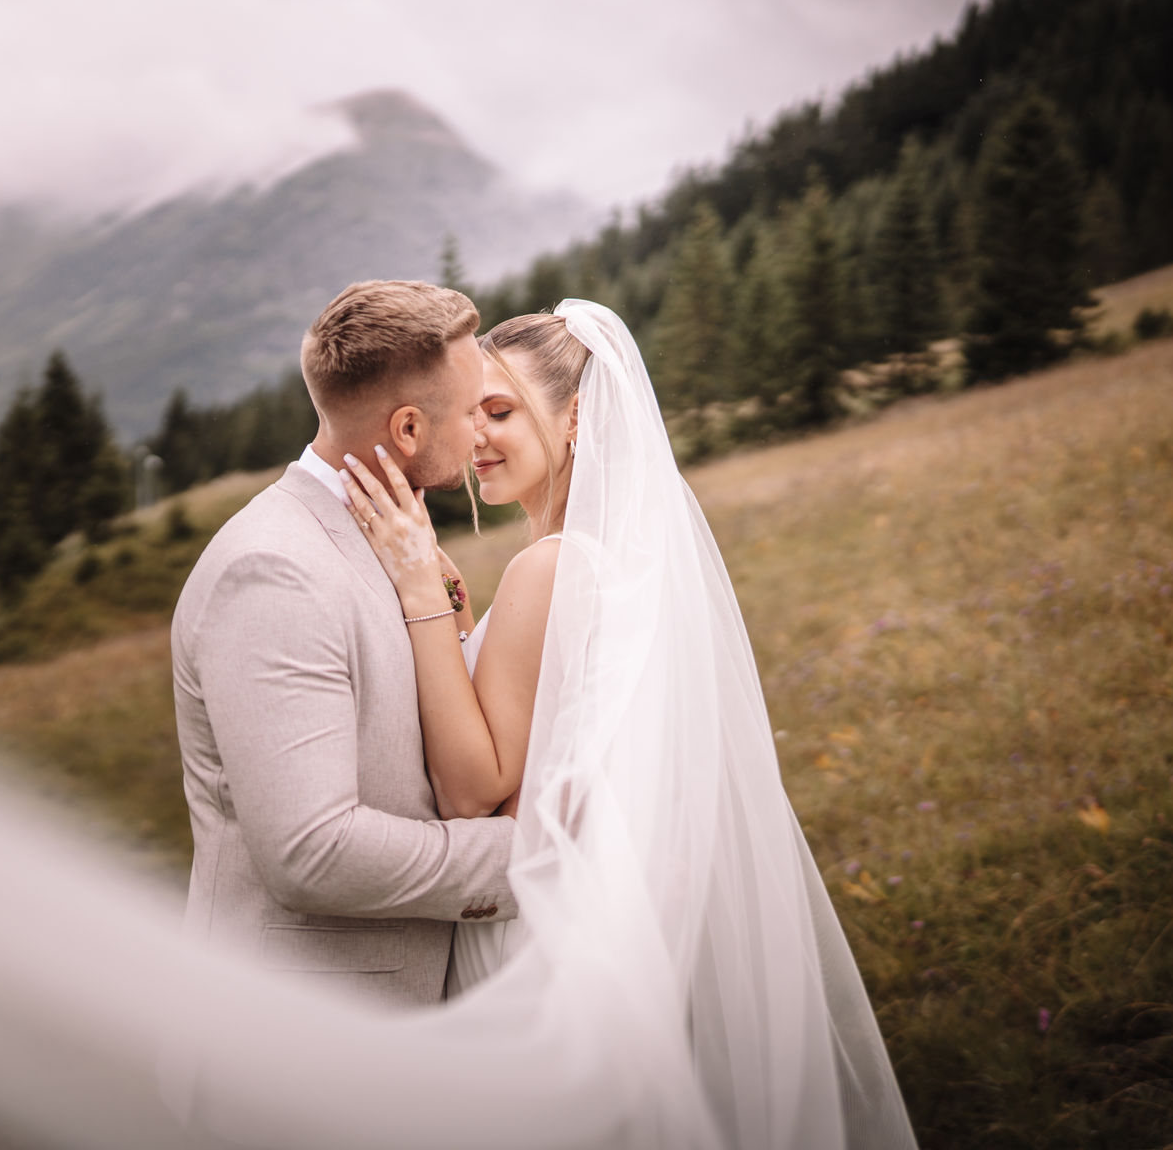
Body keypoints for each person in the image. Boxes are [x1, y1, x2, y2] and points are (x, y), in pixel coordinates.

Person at [337, 299, 920, 1146]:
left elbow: (473, 789)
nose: (475, 438)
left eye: (500, 411)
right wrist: (456, 609)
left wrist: (419, 590)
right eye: (470, 414)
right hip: (600, 924)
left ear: (576, 417)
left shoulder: (547, 568)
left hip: (532, 943)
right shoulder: (610, 563)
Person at [170, 279, 518, 1010]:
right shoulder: (274, 571)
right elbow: (313, 852)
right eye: (468, 413)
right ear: (408, 430)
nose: (479, 435)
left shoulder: (394, 537)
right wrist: (538, 857)